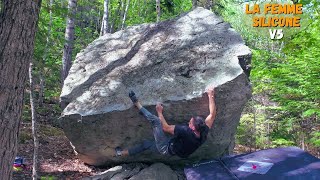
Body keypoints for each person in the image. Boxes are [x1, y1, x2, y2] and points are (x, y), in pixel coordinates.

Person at [115, 88, 216, 158]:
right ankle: (120, 153)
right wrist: (210, 95)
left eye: (190, 123)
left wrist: (159, 112)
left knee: (156, 121)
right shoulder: (203, 131)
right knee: (145, 145)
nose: (188, 122)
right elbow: (212, 115)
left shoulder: (185, 131)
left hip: (165, 147)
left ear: (193, 128)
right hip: (175, 146)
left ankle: (136, 103)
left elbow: (165, 128)